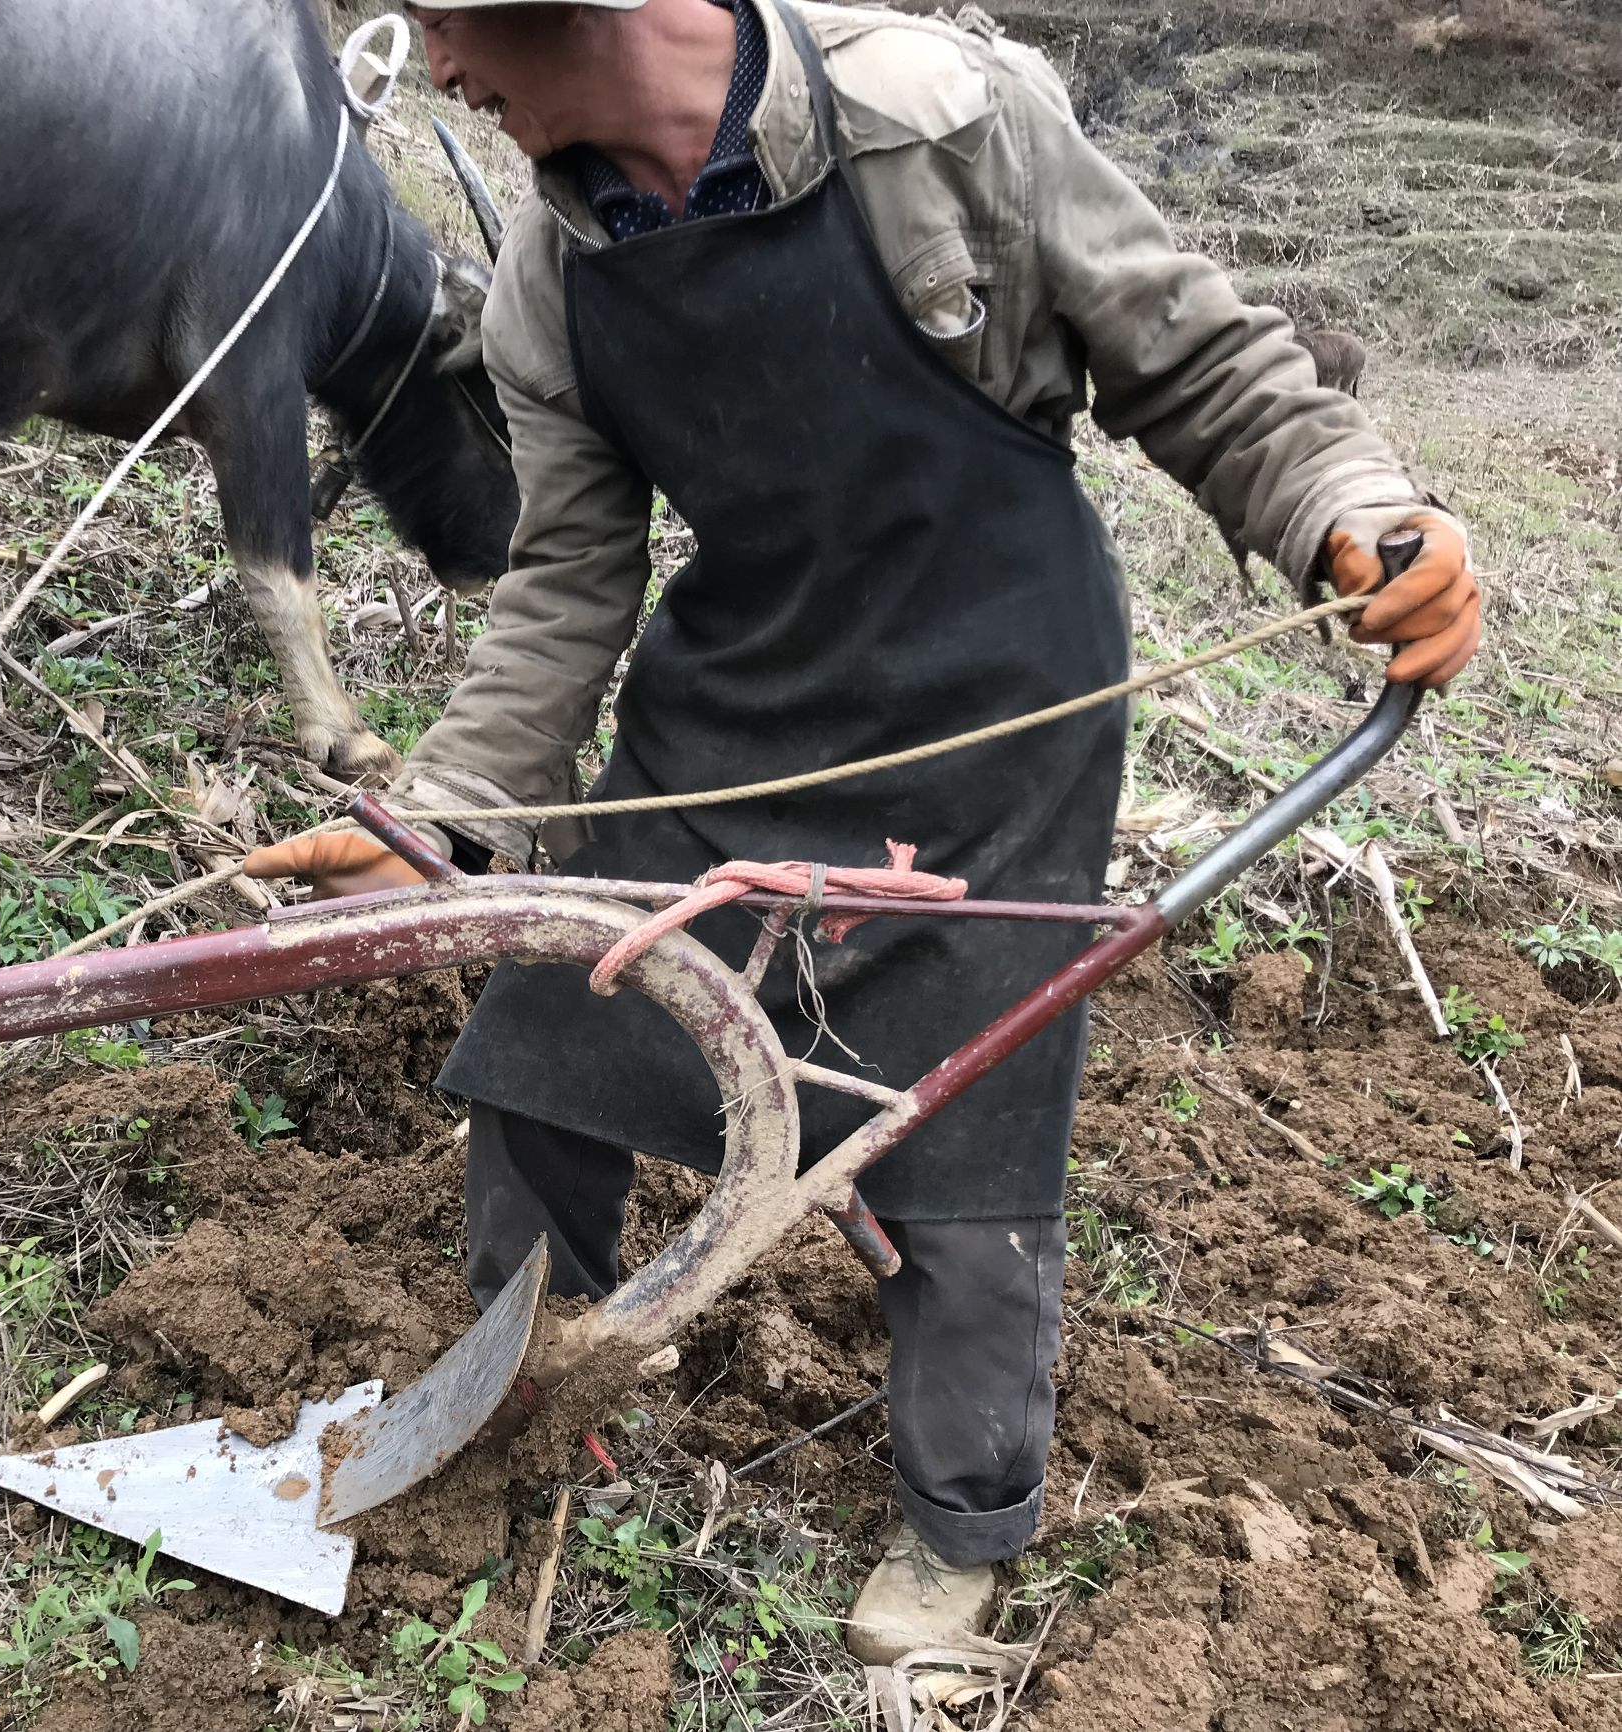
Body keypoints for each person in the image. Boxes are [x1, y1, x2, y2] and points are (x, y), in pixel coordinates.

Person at [247, 0, 1481, 1661]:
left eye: (454, 25)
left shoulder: (939, 119)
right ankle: (521, 1405)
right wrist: (451, 826)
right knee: (551, 1033)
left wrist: (1355, 514)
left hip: (995, 705)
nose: (442, 71)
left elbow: (1202, 369)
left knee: (954, 1132)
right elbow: (563, 586)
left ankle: (958, 1527)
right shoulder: (554, 270)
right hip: (733, 707)